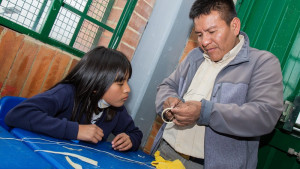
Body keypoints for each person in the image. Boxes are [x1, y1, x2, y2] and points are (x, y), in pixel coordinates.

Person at [150, 0, 283, 168]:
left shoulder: (262, 63)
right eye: (199, 34)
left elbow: (265, 115)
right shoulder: (195, 57)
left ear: (234, 26)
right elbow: (167, 86)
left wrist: (205, 112)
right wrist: (168, 101)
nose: (204, 41)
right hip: (166, 152)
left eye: (212, 31)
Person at [5, 46, 143, 151]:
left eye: (127, 82)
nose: (127, 89)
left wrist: (130, 140)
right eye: (120, 83)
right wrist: (75, 130)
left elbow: (135, 133)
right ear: (96, 85)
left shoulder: (116, 109)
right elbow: (17, 115)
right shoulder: (67, 93)